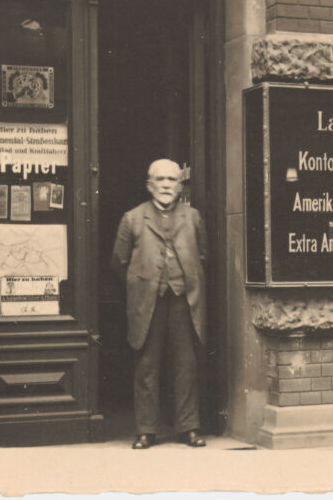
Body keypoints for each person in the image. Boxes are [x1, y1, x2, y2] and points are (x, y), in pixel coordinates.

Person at [111, 159, 207, 449]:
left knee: (185, 365)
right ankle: (146, 430)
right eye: (160, 179)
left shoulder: (193, 218)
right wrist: (142, 285)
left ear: (180, 185)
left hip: (183, 301)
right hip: (147, 302)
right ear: (149, 184)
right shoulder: (132, 218)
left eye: (172, 180)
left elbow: (204, 256)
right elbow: (119, 262)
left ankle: (188, 427)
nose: (166, 185)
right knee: (147, 366)